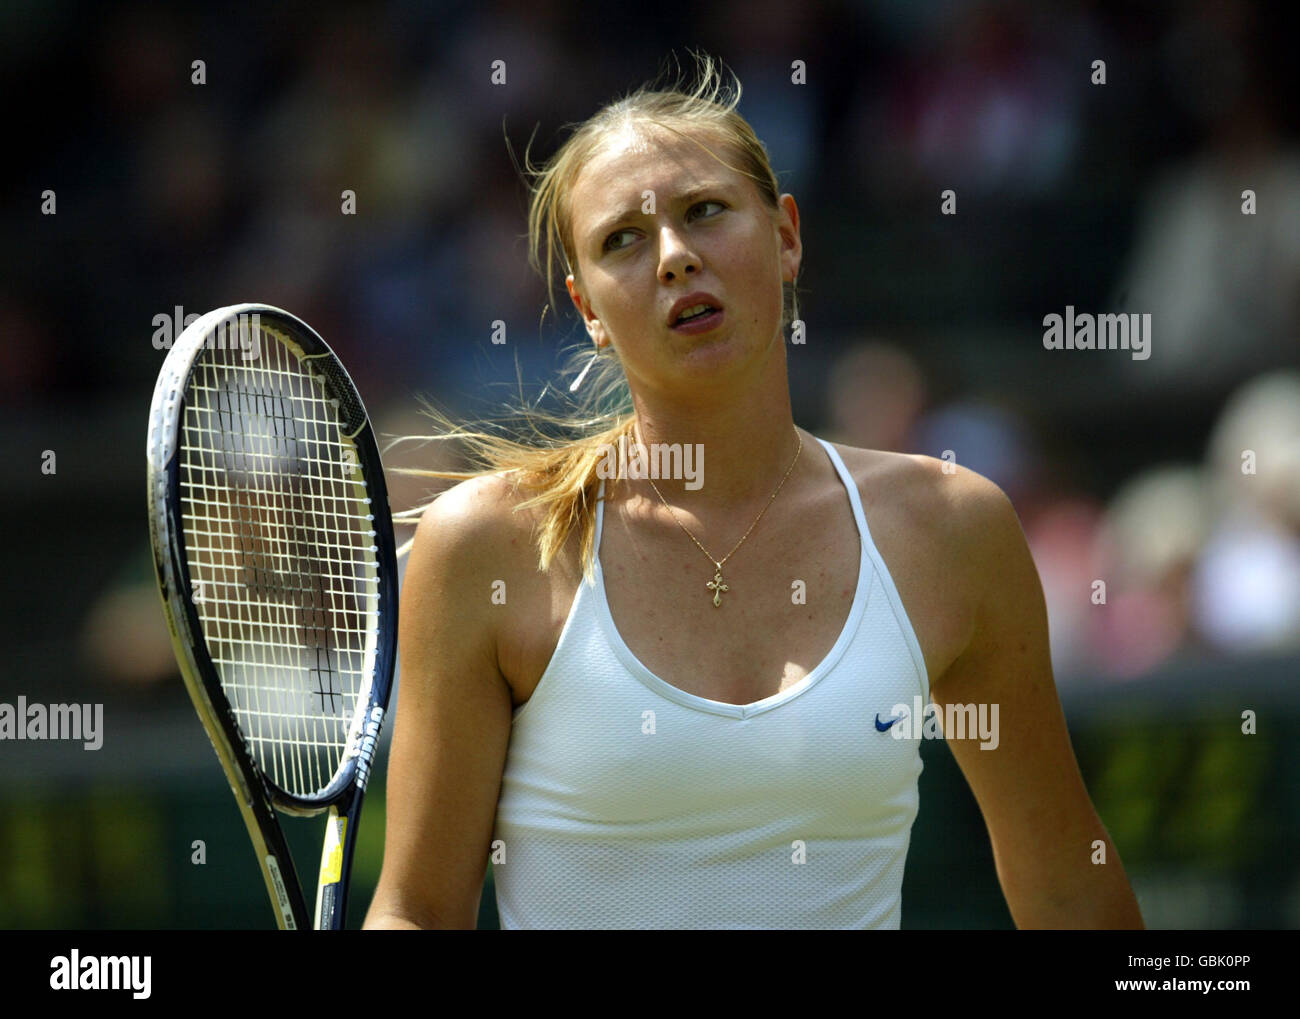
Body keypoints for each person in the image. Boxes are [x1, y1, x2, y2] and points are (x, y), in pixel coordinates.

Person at [362, 54, 1143, 930]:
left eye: (704, 212)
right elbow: (418, 911)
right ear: (587, 309)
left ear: (786, 236)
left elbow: (1069, 889)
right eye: (623, 238)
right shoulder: (482, 546)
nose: (673, 257)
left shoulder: (957, 527)